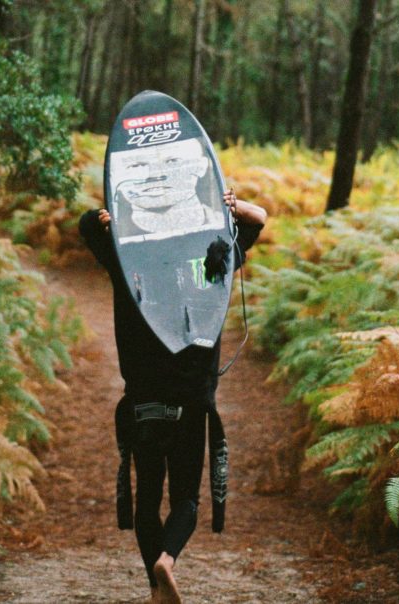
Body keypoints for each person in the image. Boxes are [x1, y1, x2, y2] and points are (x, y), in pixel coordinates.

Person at [79, 188, 266, 604]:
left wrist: (104, 217)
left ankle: (154, 589)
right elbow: (259, 218)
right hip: (191, 398)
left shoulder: (129, 261)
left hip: (144, 398)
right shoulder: (212, 259)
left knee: (148, 499)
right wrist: (230, 204)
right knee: (185, 499)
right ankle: (167, 560)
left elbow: (86, 226)